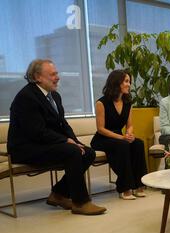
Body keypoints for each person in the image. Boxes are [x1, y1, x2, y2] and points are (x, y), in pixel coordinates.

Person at [7, 59, 106, 215]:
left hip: (44, 143)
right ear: (37, 77)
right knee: (72, 152)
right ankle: (80, 202)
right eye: (52, 74)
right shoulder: (26, 97)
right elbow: (37, 131)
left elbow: (63, 124)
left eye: (57, 73)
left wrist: (76, 142)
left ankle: (58, 194)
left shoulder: (54, 96)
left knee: (88, 152)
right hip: (25, 148)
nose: (57, 77)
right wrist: (67, 141)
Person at [91, 70, 147, 200]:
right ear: (117, 83)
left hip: (120, 138)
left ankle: (139, 185)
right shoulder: (101, 103)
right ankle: (125, 187)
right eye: (126, 81)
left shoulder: (127, 103)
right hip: (102, 139)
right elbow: (100, 129)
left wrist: (129, 134)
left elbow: (130, 125)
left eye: (129, 82)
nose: (129, 85)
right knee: (122, 145)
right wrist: (122, 137)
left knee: (138, 143)